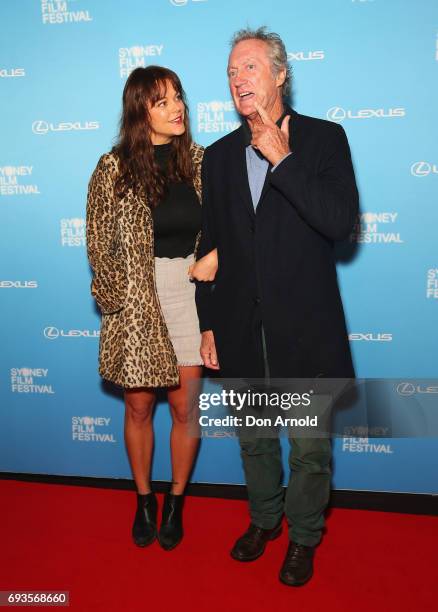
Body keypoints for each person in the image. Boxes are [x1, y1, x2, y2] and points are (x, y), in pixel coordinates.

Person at [194, 27, 359, 586]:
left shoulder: (324, 140)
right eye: (232, 72)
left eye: (251, 68)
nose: (239, 79)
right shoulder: (217, 157)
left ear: (281, 74)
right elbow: (208, 247)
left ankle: (304, 536)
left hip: (306, 328)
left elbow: (340, 225)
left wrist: (282, 160)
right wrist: (208, 322)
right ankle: (264, 520)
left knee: (310, 449)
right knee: (256, 439)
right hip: (241, 327)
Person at [86, 65, 212, 551]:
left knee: (185, 409)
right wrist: (118, 298)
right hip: (138, 298)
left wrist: (213, 260)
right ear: (141, 110)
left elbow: (222, 228)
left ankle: (176, 500)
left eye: (178, 95)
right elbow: (98, 242)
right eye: (162, 101)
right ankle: (144, 499)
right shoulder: (111, 168)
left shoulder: (200, 163)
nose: (177, 106)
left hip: (190, 292)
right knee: (139, 407)